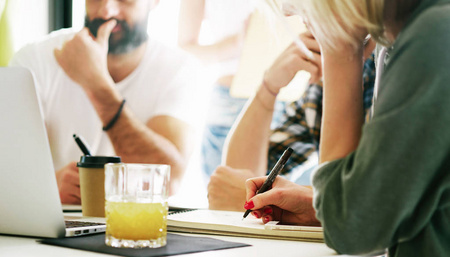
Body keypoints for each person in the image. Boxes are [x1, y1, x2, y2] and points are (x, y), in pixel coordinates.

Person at [245, 0, 450, 257]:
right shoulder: (405, 40)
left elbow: (353, 229)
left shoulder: (434, 40)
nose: (290, 13)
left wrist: (340, 51)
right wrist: (321, 208)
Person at [10, 0, 198, 204]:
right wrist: (47, 187)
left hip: (138, 228)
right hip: (57, 223)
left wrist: (97, 84)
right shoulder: (34, 60)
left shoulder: (181, 70)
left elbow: (167, 181)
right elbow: (11, 167)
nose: (107, 10)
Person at [207, 31, 376, 212]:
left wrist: (278, 201)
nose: (288, 11)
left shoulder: (397, 61)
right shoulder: (320, 88)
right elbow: (235, 180)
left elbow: (379, 199)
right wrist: (268, 87)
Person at [178, 0, 286, 184]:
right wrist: (239, 43)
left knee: (285, 201)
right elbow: (184, 51)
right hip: (232, 100)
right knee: (228, 194)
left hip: (290, 98)